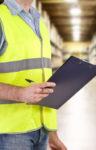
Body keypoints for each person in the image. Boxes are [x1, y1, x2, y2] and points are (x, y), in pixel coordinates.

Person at [0, 0, 67, 150]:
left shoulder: (40, 24)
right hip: (9, 133)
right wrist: (19, 93)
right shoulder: (1, 18)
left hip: (40, 130)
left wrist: (51, 132)